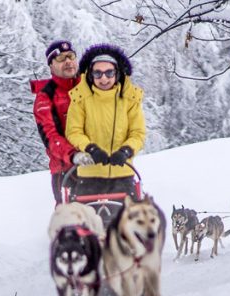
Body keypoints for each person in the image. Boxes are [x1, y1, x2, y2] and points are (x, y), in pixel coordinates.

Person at [65, 43, 146, 198]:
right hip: (89, 176)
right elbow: (74, 131)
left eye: (109, 73)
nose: (103, 78)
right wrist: (91, 149)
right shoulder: (80, 99)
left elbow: (138, 133)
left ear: (117, 73)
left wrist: (126, 150)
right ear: (90, 75)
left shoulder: (130, 100)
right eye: (98, 73)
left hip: (123, 174)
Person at [31, 39, 81, 204]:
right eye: (61, 59)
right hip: (66, 171)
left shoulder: (91, 86)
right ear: (51, 66)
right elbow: (50, 136)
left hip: (99, 165)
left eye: (70, 56)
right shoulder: (45, 97)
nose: (68, 62)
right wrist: (73, 155)